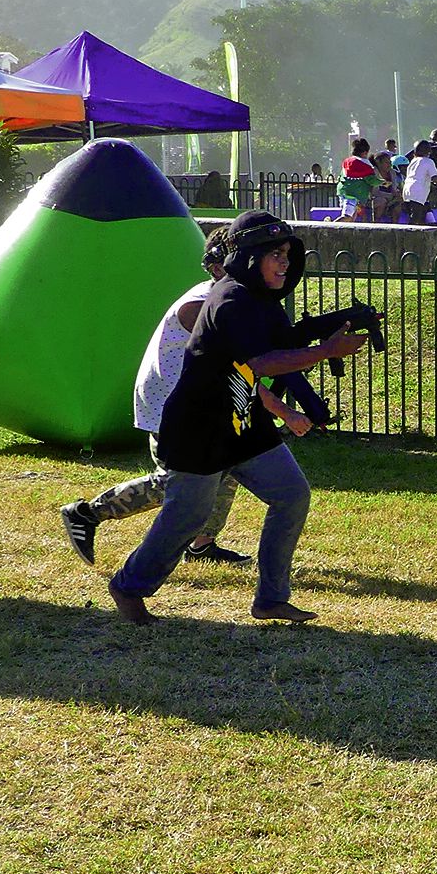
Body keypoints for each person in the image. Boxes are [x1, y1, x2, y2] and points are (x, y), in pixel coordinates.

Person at [106, 211, 375, 625]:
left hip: (242, 423)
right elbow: (262, 361)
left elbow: (285, 337)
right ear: (250, 256)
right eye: (276, 254)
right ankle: (128, 586)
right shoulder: (230, 299)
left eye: (288, 254)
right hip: (198, 428)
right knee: (188, 517)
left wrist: (342, 319)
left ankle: (270, 599)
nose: (285, 263)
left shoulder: (256, 297)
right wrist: (327, 351)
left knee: (291, 495)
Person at [60, 231, 248, 569]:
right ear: (220, 267)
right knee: (176, 483)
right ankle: (87, 514)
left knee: (229, 464)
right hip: (172, 406)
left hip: (197, 403)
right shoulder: (203, 304)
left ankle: (201, 543)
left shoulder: (228, 299)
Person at [337, 137, 379, 222]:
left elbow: (340, 177)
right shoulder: (365, 164)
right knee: (347, 217)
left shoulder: (347, 161)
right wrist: (383, 182)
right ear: (365, 152)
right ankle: (329, 228)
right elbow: (371, 180)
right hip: (353, 194)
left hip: (343, 191)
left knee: (352, 218)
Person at [401, 139, 437, 225]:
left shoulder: (413, 161)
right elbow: (434, 178)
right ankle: (409, 236)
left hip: (406, 192)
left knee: (420, 216)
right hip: (417, 193)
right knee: (415, 219)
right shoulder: (428, 161)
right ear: (428, 151)